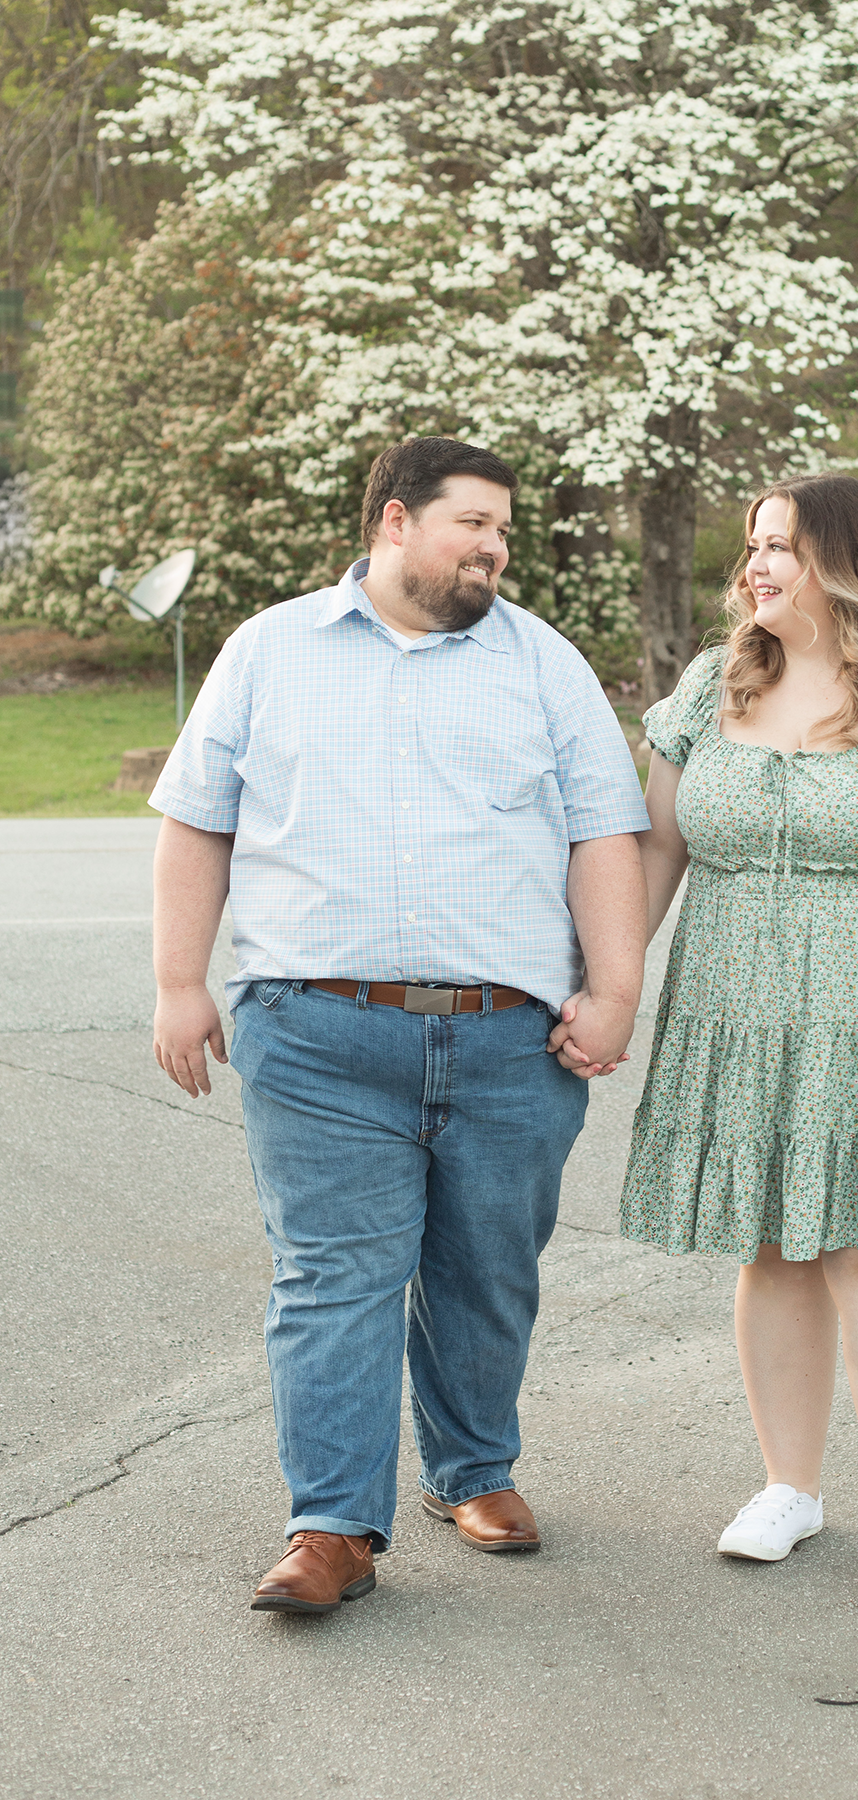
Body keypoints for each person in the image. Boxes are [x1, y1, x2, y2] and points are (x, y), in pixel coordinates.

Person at [150, 436, 649, 1614]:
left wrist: (615, 988)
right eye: (471, 522)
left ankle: (472, 1469)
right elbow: (195, 821)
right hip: (318, 1032)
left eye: (503, 531)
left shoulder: (543, 664)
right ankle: (332, 1526)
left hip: (506, 1040)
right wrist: (180, 981)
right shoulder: (270, 651)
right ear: (392, 521)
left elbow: (603, 835)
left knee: (486, 1274)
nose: (492, 547)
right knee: (333, 1277)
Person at [576, 473, 858, 1618]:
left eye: (779, 544)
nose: (755, 565)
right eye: (750, 546)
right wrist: (612, 991)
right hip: (735, 1018)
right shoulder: (713, 682)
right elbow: (655, 857)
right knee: (771, 1253)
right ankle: (790, 1486)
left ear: (846, 559)